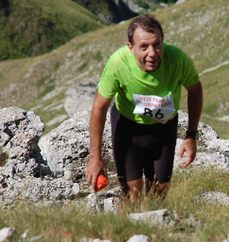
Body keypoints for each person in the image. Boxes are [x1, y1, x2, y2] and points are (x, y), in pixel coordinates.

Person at [85, 14, 203, 202]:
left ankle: (154, 231)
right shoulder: (118, 64)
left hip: (163, 128)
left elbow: (195, 91)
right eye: (144, 47)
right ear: (130, 48)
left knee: (159, 194)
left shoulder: (177, 59)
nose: (152, 53)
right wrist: (95, 157)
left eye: (157, 45)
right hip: (129, 129)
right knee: (132, 195)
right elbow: (99, 108)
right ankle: (123, 231)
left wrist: (191, 135)